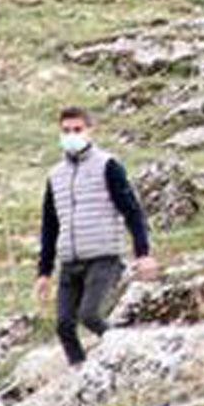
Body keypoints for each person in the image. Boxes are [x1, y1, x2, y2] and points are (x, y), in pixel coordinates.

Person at [34, 107, 157, 366]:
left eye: (77, 129)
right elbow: (49, 226)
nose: (71, 135)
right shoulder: (55, 176)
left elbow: (132, 211)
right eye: (66, 131)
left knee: (89, 316)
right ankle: (80, 372)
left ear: (90, 130)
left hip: (104, 257)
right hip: (70, 260)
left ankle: (130, 353)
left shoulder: (107, 165)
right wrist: (44, 272)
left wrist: (143, 253)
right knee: (64, 326)